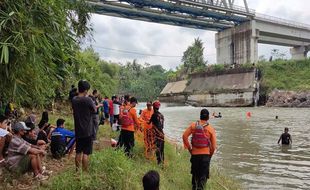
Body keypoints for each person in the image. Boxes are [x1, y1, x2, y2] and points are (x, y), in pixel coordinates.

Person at [182, 109, 217, 190]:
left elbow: (184, 136)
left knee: (195, 178)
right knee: (202, 179)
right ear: (208, 117)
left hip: (194, 155)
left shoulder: (193, 125)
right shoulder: (210, 129)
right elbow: (214, 146)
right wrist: (209, 155)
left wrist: (190, 149)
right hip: (205, 156)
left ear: (200, 116)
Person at [72, 80, 96, 172]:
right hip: (88, 131)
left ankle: (77, 171)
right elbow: (94, 110)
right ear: (86, 90)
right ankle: (85, 173)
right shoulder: (88, 99)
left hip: (78, 130)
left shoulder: (74, 99)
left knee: (78, 152)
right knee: (86, 153)